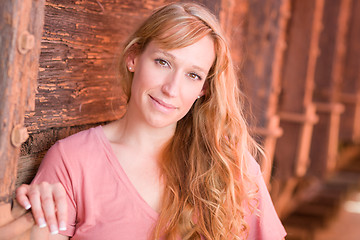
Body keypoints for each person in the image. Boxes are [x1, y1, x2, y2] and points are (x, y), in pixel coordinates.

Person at [16, 2, 286, 240]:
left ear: (204, 88)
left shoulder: (230, 165)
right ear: (133, 57)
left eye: (193, 75)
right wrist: (23, 224)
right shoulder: (71, 161)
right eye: (163, 62)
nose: (171, 89)